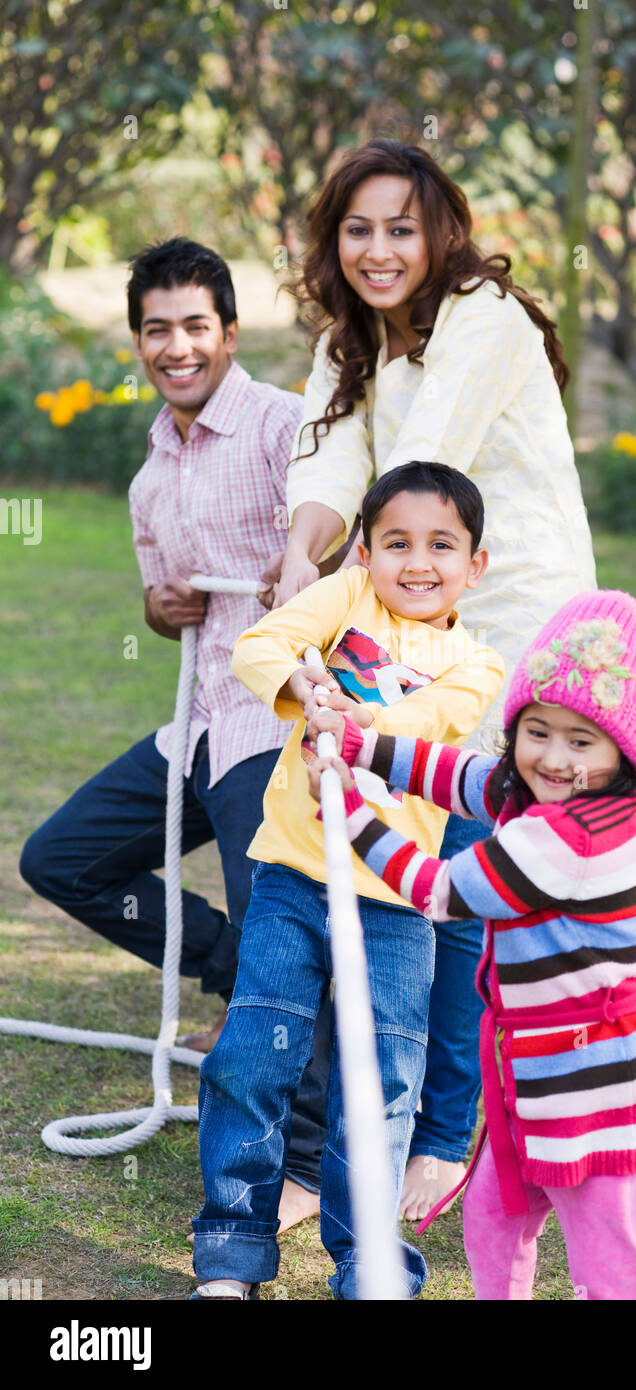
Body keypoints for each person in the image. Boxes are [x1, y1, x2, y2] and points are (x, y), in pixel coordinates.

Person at [266, 137, 597, 1220]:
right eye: (357, 228)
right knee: (395, 862)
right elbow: (330, 464)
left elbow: (423, 473)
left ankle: (440, 1133)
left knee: (446, 877)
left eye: (400, 227)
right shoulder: (348, 339)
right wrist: (293, 555)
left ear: (439, 230)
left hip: (503, 622)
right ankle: (364, 1124)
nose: (377, 249)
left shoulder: (484, 322)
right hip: (411, 604)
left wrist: (338, 585)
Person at [18, 237, 329, 1227]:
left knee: (289, 931)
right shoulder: (151, 468)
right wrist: (160, 609)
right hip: (193, 724)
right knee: (58, 857)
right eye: (158, 328)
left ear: (229, 333)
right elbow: (163, 602)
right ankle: (228, 964)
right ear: (139, 340)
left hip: (271, 723)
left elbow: (348, 546)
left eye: (197, 325)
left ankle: (314, 1159)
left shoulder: (289, 428)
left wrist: (306, 564)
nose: (178, 345)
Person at [307, 589, 636, 1300]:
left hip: (599, 1076)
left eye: (580, 741)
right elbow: (461, 778)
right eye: (537, 730)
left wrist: (351, 814)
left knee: (604, 1253)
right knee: (494, 1216)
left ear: (624, 752)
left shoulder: (574, 836)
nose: (552, 758)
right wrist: (360, 745)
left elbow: (441, 891)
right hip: (528, 1066)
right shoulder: (532, 792)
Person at [189, 461, 505, 1300]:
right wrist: (299, 682)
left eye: (442, 545)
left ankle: (370, 1264)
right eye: (396, 541)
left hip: (398, 905)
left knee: (380, 1084)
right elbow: (259, 643)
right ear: (365, 549)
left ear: (475, 565)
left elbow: (431, 722)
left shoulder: (477, 665)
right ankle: (230, 1251)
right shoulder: (345, 598)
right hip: (293, 877)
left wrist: (355, 721)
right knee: (252, 1057)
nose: (416, 561)